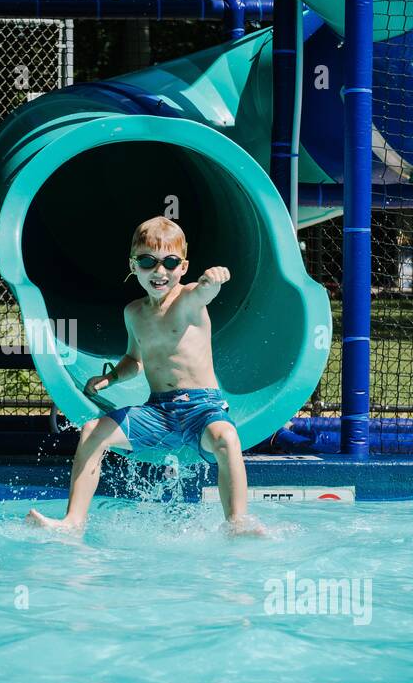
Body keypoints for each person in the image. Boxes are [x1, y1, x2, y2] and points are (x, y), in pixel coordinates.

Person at [27, 215, 262, 537]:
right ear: (133, 265)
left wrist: (213, 280)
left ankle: (236, 523)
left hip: (202, 407)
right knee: (93, 431)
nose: (159, 271)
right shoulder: (134, 313)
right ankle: (72, 522)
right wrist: (110, 379)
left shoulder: (188, 299)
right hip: (157, 410)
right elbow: (133, 360)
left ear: (183, 267)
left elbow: (205, 292)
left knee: (227, 438)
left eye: (170, 262)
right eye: (148, 261)